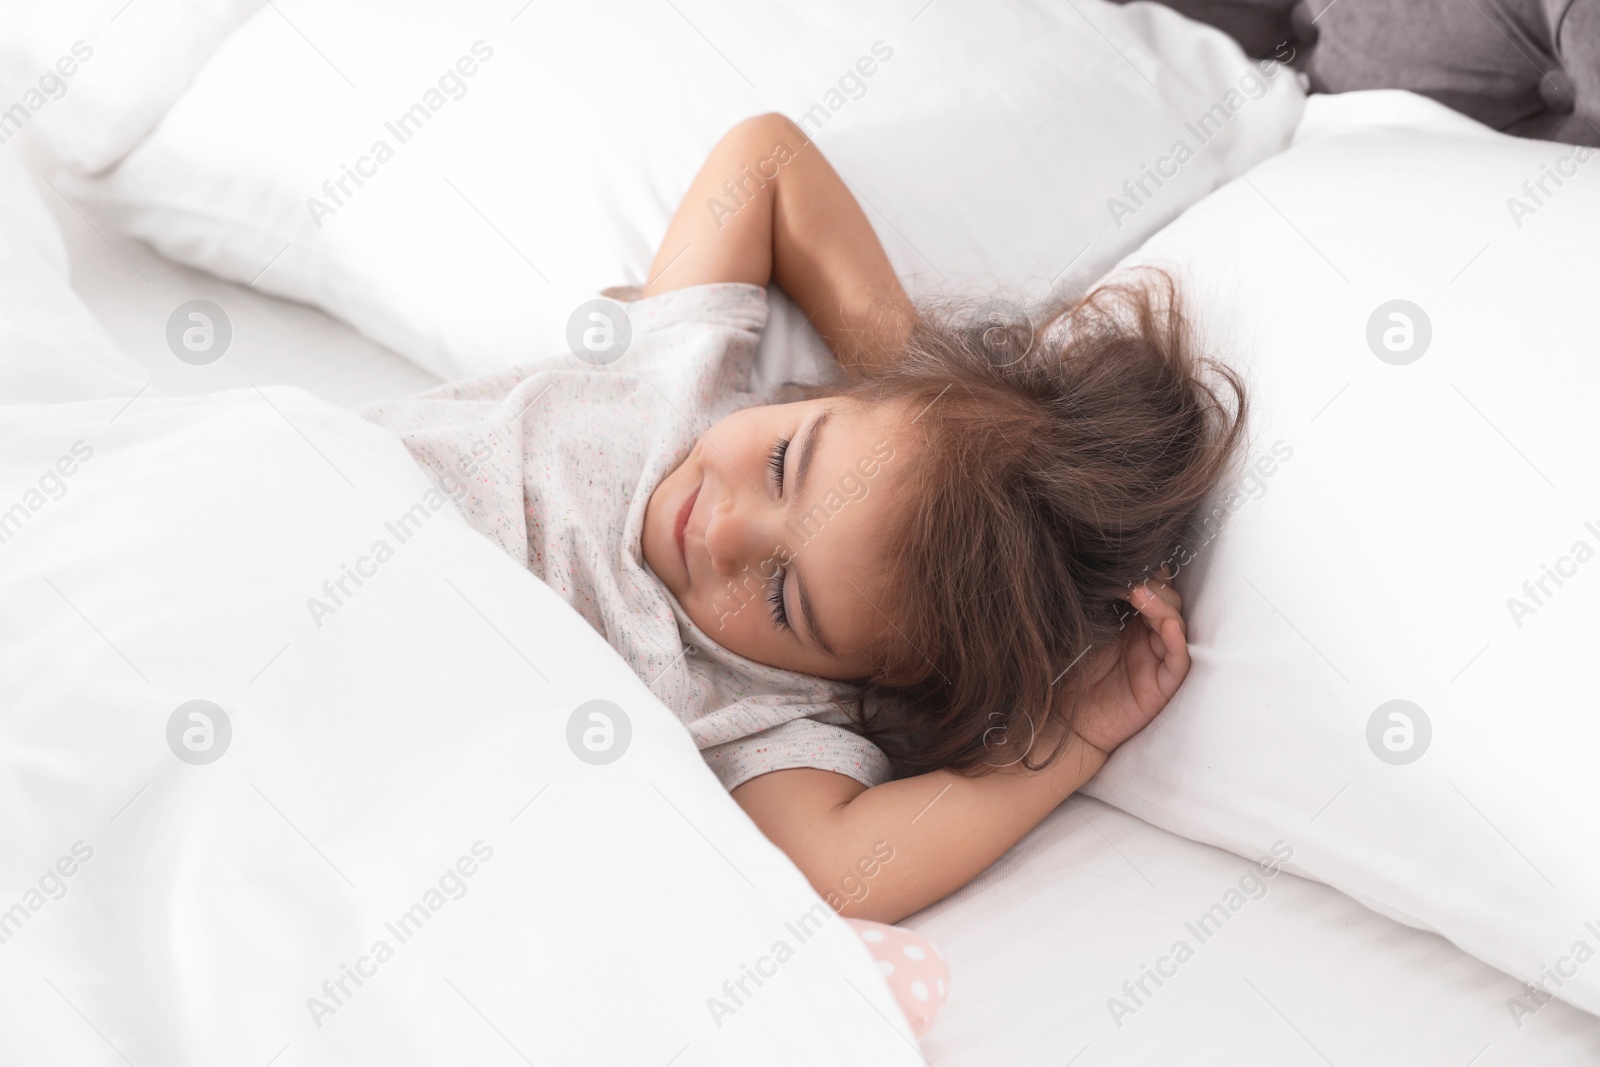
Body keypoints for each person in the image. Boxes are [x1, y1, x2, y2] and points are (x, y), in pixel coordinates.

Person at [361, 112, 1246, 929]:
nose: (725, 533)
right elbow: (766, 157)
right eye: (787, 461)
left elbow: (837, 869)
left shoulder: (769, 709)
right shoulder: (680, 370)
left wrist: (1074, 739)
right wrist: (914, 381)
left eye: (784, 598)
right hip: (325, 499)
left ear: (870, 675)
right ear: (829, 395)